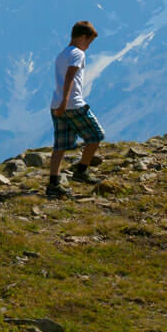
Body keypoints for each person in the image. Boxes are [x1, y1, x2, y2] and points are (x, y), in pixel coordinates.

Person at [46, 19, 105, 198]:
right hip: (72, 104)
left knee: (60, 145)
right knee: (96, 135)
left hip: (56, 104)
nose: (88, 46)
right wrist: (66, 100)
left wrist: (61, 102)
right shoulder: (78, 53)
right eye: (89, 42)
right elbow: (70, 77)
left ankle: (53, 184)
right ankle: (81, 171)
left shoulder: (62, 54)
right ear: (82, 38)